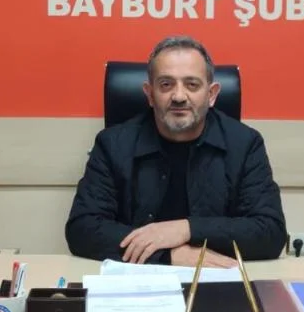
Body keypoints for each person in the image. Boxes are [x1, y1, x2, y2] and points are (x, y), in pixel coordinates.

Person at [65, 35, 287, 267]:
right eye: (166, 84)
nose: (179, 96)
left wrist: (186, 229)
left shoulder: (245, 144)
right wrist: (168, 256)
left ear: (211, 94)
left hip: (215, 279)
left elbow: (270, 232)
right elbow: (82, 229)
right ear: (150, 94)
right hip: (136, 280)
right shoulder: (113, 144)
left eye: (192, 85)